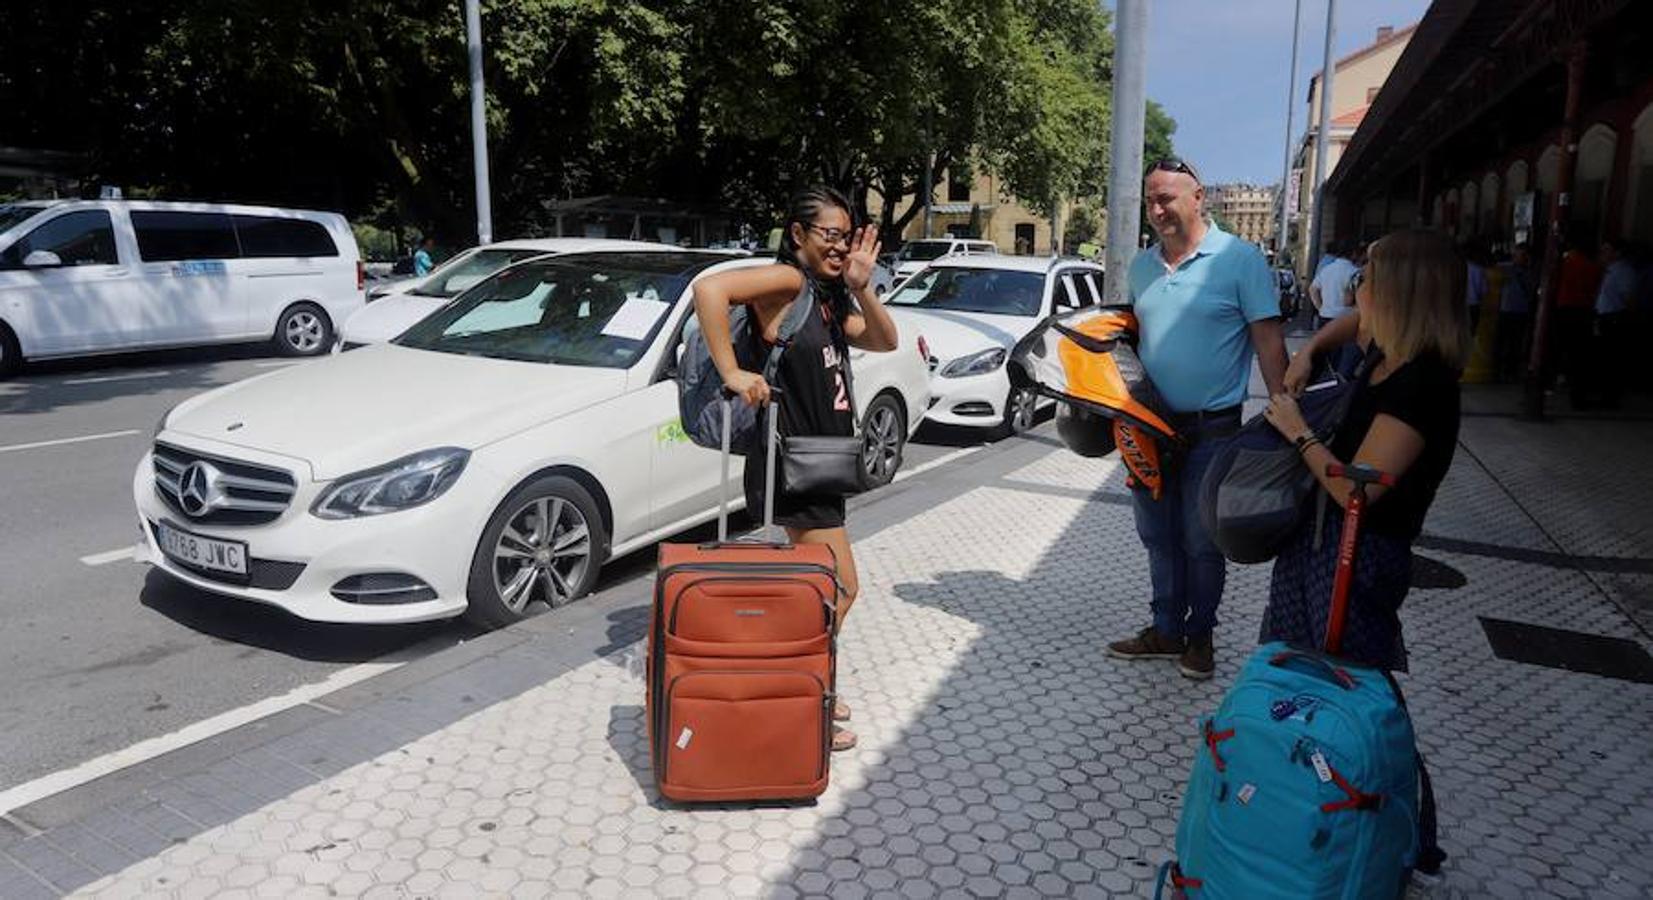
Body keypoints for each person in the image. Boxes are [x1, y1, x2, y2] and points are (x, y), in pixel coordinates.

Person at [691, 186, 900, 751]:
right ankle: (789, 690)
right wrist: (733, 371)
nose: (839, 246)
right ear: (798, 235)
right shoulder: (787, 283)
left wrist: (861, 287)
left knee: (819, 589)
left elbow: (885, 339)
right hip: (792, 464)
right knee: (838, 589)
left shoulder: (827, 298)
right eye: (829, 235)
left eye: (846, 236)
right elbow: (709, 290)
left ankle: (804, 684)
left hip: (820, 465)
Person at [1105, 158, 1289, 679]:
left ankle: (1200, 637)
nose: (1157, 209)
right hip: (1148, 428)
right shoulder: (1142, 267)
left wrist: (1285, 415)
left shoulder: (1239, 259)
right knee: (1157, 537)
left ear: (1198, 196)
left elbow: (1269, 341)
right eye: (1150, 200)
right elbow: (1130, 341)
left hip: (1213, 430)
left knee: (1201, 541)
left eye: (1166, 198)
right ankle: (1166, 629)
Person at [1261, 229, 1469, 670]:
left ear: (1398, 297)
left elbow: (1356, 492)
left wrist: (1299, 432)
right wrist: (1311, 349)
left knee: (1343, 681)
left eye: (1366, 281)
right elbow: (1353, 321)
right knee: (1295, 668)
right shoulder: (1386, 354)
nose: (1357, 292)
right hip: (1321, 543)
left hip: (1360, 558)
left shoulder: (1423, 383)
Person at [1588, 237, 1639, 408]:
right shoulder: (1609, 271)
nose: (1602, 254)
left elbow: (1629, 299)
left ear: (1617, 253)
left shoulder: (1624, 271)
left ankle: (1610, 396)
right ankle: (1602, 392)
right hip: (1604, 317)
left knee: (1611, 359)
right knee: (1603, 357)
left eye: (1607, 250)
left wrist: (1628, 319)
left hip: (1615, 319)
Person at [1496, 243, 1535, 382]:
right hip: (1505, 309)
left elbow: (1531, 291)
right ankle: (1498, 370)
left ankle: (1510, 371)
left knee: (1515, 343)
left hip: (1520, 311)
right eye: (1517, 254)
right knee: (1501, 341)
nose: (1519, 258)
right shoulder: (1504, 268)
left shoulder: (1530, 272)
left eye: (1522, 255)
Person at [1310, 240, 1358, 330]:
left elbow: (1313, 289)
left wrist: (1321, 307)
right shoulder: (1354, 272)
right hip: (1346, 317)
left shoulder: (1326, 269)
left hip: (1325, 315)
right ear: (1354, 253)